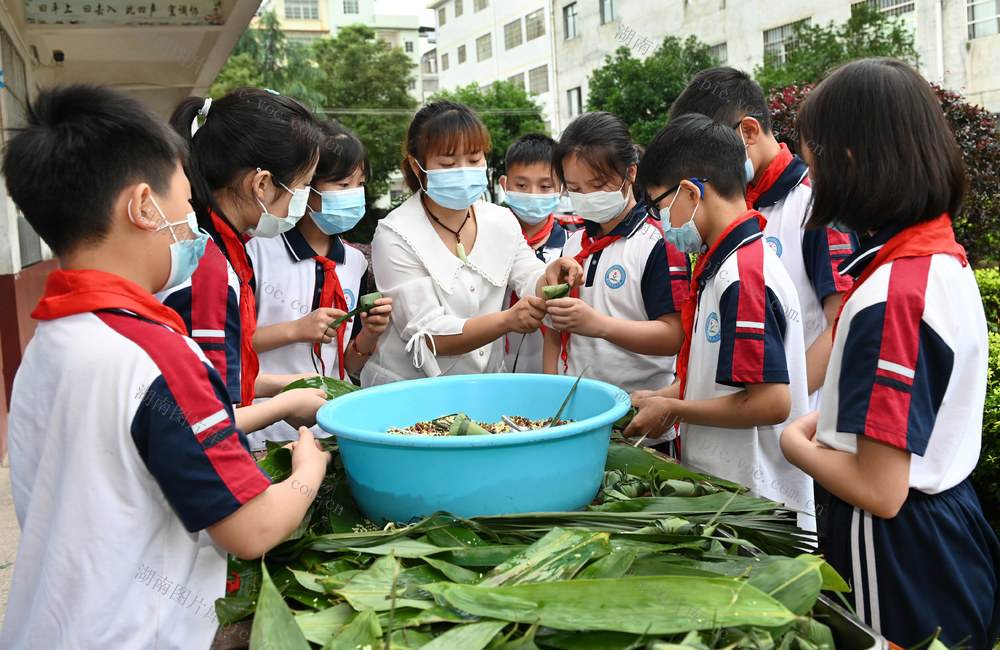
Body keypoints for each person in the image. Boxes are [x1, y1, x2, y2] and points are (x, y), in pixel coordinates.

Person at [0, 84, 331, 649]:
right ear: (143, 206)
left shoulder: (51, 340)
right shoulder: (156, 354)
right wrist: (308, 468)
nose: (191, 225)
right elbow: (252, 528)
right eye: (183, 202)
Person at [779, 58, 1000, 646]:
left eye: (814, 157)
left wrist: (794, 442)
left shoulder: (891, 298)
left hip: (893, 549)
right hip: (943, 526)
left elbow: (880, 490)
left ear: (849, 159)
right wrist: (824, 420)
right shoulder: (939, 260)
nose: (812, 176)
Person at [624, 113, 814, 529]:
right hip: (733, 495)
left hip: (756, 504)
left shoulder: (742, 275)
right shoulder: (728, 262)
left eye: (659, 207)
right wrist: (667, 395)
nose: (660, 224)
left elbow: (770, 401)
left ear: (690, 193)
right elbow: (724, 376)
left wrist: (675, 408)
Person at [361, 100, 583, 386]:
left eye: (475, 159)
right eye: (448, 163)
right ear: (418, 168)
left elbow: (529, 276)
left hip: (485, 388)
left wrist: (551, 275)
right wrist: (506, 321)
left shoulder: (501, 221)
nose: (463, 170)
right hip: (411, 393)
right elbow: (428, 334)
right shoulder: (395, 234)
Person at [670, 67, 857, 408]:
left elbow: (842, 323)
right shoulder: (726, 208)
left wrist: (784, 402)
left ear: (749, 131)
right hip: (734, 414)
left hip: (789, 428)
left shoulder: (813, 206)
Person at [162, 88, 328, 435]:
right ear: (263, 184)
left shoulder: (219, 246)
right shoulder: (208, 269)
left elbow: (206, 372)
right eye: (304, 185)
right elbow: (203, 424)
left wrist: (279, 385)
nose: (305, 199)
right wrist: (287, 404)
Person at [247, 122, 392, 448]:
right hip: (263, 432)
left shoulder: (354, 262)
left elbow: (347, 363)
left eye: (360, 184)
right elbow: (234, 346)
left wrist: (369, 335)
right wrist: (296, 329)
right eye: (342, 184)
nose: (354, 194)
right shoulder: (257, 250)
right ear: (306, 185)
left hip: (330, 431)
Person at [543, 112, 689, 399]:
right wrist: (553, 392)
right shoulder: (574, 244)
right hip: (575, 410)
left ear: (630, 173)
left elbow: (673, 337)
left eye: (598, 185)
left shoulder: (657, 242)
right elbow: (552, 331)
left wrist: (598, 326)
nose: (586, 195)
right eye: (574, 189)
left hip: (640, 418)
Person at [499, 132, 567, 373]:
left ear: (561, 188)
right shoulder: (490, 243)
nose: (533, 194)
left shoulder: (570, 249)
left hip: (553, 371)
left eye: (545, 186)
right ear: (504, 185)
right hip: (495, 371)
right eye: (522, 185)